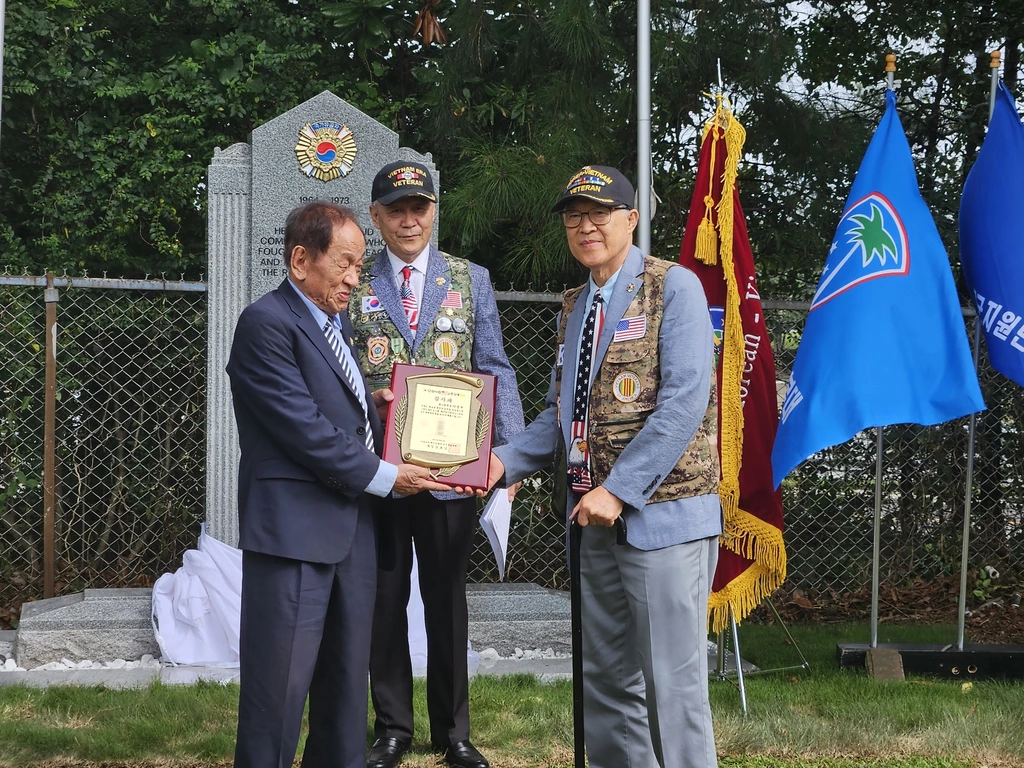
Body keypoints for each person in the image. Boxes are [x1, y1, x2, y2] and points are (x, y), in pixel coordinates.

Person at [471, 165, 722, 768]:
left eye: (599, 214)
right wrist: (493, 463)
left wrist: (618, 489)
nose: (585, 226)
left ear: (631, 220)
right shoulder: (575, 305)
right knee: (606, 683)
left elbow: (684, 403)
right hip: (591, 522)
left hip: (660, 521)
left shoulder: (675, 286)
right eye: (573, 216)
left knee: (670, 684)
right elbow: (563, 417)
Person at [226, 201, 450, 768]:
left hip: (351, 534)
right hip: (294, 537)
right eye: (345, 264)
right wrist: (388, 477)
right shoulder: (266, 322)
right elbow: (303, 430)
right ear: (301, 260)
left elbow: (338, 418)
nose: (355, 278)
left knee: (346, 693)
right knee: (277, 697)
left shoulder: (334, 325)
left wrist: (376, 413)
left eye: (358, 265)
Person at [349, 161, 525, 768]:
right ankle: (393, 727)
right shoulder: (355, 280)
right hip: (383, 478)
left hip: (454, 474)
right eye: (395, 209)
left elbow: (495, 364)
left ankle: (454, 733)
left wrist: (510, 452)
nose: (408, 219)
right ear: (375, 217)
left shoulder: (468, 278)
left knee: (448, 601)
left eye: (418, 207)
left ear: (434, 212)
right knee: (384, 600)